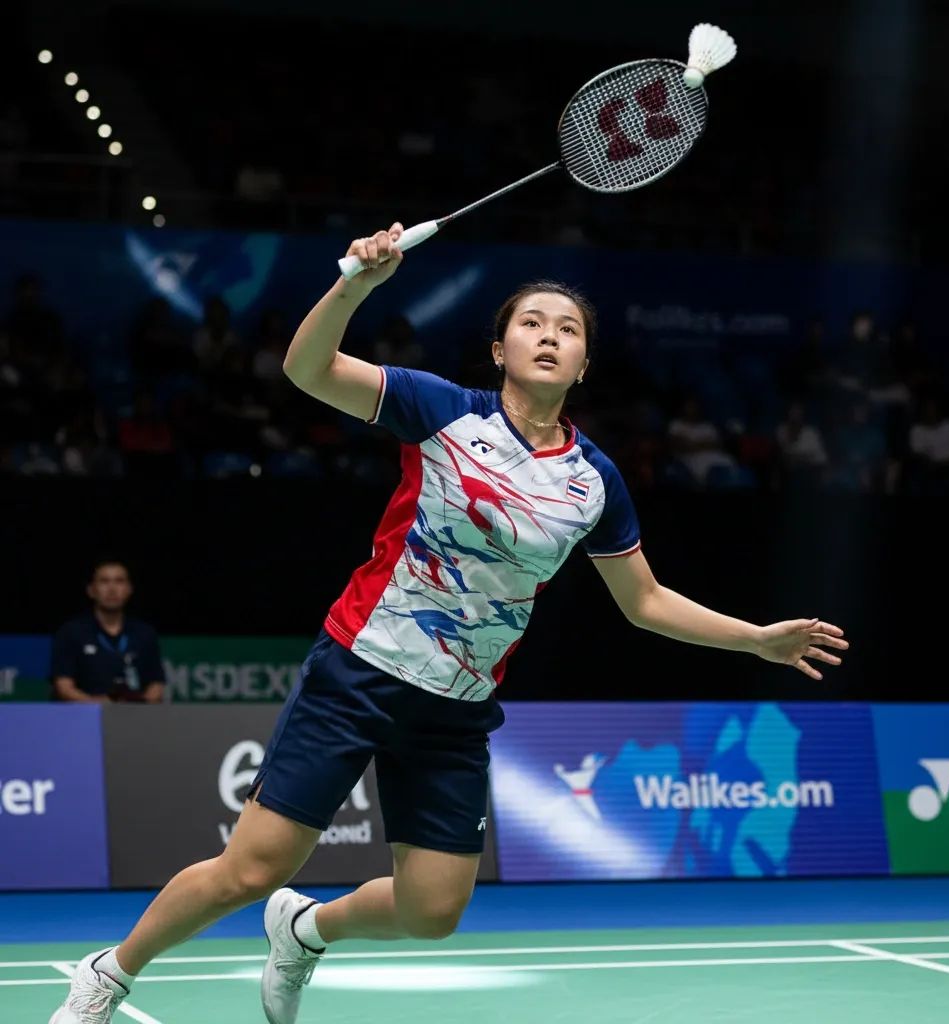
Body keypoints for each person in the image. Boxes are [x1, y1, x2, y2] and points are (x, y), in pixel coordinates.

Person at [50, 224, 849, 1024]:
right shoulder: (442, 412)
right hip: (360, 667)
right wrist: (356, 285)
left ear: (583, 365)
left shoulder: (592, 480)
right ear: (499, 349)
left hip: (455, 707)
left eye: (568, 330)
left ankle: (305, 929)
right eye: (532, 323)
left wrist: (755, 637)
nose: (550, 336)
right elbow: (306, 369)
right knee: (251, 868)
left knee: (433, 910)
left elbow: (643, 602)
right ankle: (109, 974)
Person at [51, 560, 165, 704]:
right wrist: (99, 707)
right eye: (104, 581)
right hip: (84, 718)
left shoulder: (145, 633)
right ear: (91, 590)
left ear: (129, 589)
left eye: (119, 581)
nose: (112, 588)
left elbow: (156, 684)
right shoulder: (71, 632)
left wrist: (139, 707)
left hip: (135, 719)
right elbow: (63, 687)